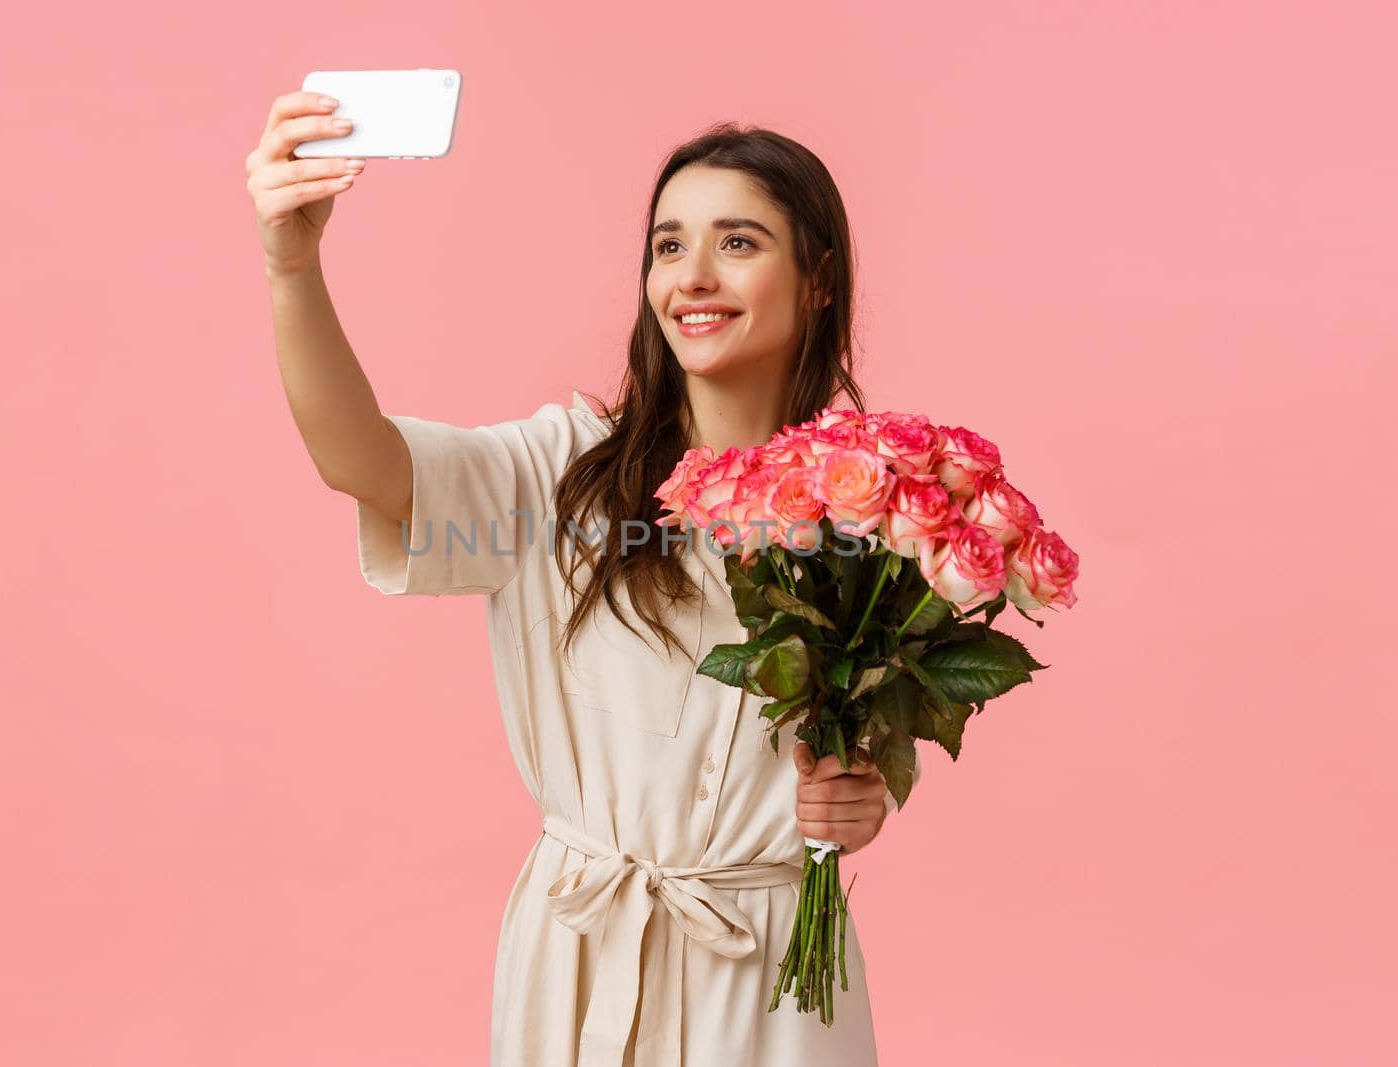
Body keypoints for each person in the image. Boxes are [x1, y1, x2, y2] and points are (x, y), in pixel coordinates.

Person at [246, 94, 920, 1066]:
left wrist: (857, 799)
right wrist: (291, 265)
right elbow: (363, 461)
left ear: (817, 280)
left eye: (737, 242)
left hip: (776, 982)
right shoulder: (563, 473)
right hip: (583, 956)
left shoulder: (872, 506)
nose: (691, 275)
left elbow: (866, 749)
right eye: (667, 245)